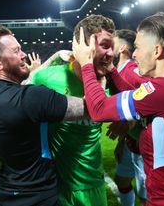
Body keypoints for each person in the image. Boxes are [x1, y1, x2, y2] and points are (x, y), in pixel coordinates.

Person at [73, 12, 164, 206]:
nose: (134, 54)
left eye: (137, 47)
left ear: (156, 51)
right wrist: (112, 70)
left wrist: (87, 64)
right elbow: (139, 97)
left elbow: (99, 109)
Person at [0, 25, 87, 206]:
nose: (24, 54)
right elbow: (93, 107)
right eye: (16, 51)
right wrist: (87, 64)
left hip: (0, 193)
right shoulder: (32, 98)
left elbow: (26, 78)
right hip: (36, 195)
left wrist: (55, 57)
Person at [32, 14, 114, 206]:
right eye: (104, 45)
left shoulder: (112, 82)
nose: (111, 53)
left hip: (93, 186)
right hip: (55, 187)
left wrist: (128, 125)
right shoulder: (46, 79)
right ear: (81, 46)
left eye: (112, 46)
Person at [109, 29, 147, 206]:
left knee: (147, 194)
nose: (109, 47)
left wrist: (133, 121)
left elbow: (150, 101)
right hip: (130, 142)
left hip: (144, 144)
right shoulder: (119, 71)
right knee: (122, 179)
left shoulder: (132, 71)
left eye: (113, 43)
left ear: (123, 48)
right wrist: (122, 141)